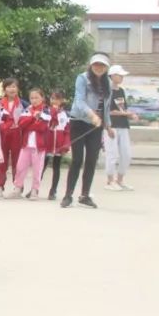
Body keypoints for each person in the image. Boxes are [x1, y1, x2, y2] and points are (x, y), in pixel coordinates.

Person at [60, 53, 113, 208]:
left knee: (91, 160)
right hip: (80, 121)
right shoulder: (82, 78)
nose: (99, 67)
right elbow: (79, 100)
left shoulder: (107, 82)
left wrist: (108, 126)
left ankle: (85, 195)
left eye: (102, 65)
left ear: (106, 68)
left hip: (96, 126)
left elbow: (106, 106)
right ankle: (68, 195)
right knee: (77, 160)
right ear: (91, 65)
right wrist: (92, 115)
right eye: (96, 64)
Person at [11, 88, 50, 199]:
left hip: (39, 146)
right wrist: (33, 117)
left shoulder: (46, 111)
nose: (34, 100)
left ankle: (35, 190)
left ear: (42, 98)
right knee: (20, 167)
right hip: (26, 144)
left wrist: (30, 124)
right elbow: (21, 124)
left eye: (37, 97)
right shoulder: (27, 110)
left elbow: (42, 127)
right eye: (32, 98)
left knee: (37, 169)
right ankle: (17, 188)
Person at [104, 64, 138, 191]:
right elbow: (108, 111)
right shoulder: (106, 91)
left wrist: (131, 115)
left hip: (123, 126)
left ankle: (120, 179)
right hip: (111, 126)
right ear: (112, 76)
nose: (122, 77)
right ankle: (109, 180)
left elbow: (122, 109)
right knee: (111, 154)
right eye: (120, 75)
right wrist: (126, 113)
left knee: (126, 154)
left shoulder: (121, 90)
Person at [0, 78, 27, 194]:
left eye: (14, 86)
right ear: (4, 89)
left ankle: (17, 186)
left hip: (17, 134)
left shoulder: (23, 104)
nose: (11, 89)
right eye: (9, 87)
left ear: (18, 89)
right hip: (2, 134)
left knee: (18, 161)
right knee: (1, 160)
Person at [43, 90, 71, 201]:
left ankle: (53, 190)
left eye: (57, 99)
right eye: (53, 98)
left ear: (62, 100)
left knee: (56, 167)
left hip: (59, 145)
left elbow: (67, 131)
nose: (55, 101)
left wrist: (66, 144)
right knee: (43, 166)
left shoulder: (66, 114)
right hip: (48, 143)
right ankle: (35, 188)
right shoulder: (46, 111)